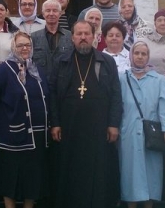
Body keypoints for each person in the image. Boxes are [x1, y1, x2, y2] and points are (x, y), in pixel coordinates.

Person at [49, 21, 122, 208]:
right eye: (79, 34)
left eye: (87, 34)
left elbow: (116, 94)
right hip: (69, 126)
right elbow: (53, 94)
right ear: (72, 38)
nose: (83, 37)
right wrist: (55, 123)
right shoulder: (62, 61)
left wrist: (113, 124)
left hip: (98, 127)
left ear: (94, 36)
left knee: (97, 168)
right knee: (70, 168)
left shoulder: (106, 61)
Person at [0, 31, 50, 208]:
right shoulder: (4, 69)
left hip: (37, 136)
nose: (24, 48)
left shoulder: (36, 69)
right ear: (13, 47)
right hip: (12, 135)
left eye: (28, 45)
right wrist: (2, 116)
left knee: (32, 179)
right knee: (9, 178)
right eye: (20, 45)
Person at [119, 41, 165, 208]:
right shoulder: (123, 78)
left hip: (151, 133)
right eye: (137, 53)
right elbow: (117, 106)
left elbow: (164, 106)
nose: (140, 57)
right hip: (128, 132)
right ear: (131, 55)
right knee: (130, 172)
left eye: (144, 54)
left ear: (148, 57)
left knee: (151, 172)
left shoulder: (159, 79)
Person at [31, 0, 73, 77]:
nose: (51, 13)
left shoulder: (70, 37)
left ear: (60, 14)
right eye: (48, 10)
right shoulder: (33, 37)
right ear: (43, 14)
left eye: (55, 11)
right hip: (41, 83)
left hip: (63, 84)